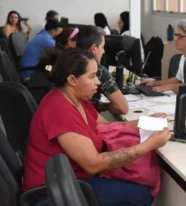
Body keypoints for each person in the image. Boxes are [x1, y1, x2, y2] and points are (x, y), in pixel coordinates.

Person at [23, 48, 171, 206]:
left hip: (71, 181)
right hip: (54, 193)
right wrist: (148, 145)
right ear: (72, 80)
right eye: (92, 76)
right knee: (139, 195)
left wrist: (145, 122)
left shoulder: (79, 99)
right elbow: (93, 164)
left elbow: (106, 125)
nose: (98, 82)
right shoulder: (60, 109)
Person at [76, 25, 128, 115]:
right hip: (88, 121)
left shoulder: (67, 62)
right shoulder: (97, 70)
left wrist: (100, 105)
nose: (103, 51)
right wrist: (107, 106)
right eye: (102, 47)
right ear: (93, 48)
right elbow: (123, 108)